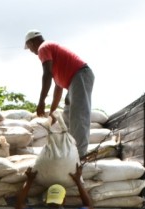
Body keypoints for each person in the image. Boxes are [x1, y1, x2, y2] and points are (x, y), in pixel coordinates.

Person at [24, 30, 95, 161]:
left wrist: (41, 102)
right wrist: (52, 112)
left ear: (32, 43)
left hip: (80, 76)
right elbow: (58, 88)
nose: (31, 51)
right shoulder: (56, 59)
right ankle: (69, 152)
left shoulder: (43, 48)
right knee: (67, 118)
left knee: (79, 117)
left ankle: (79, 156)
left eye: (29, 47)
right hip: (73, 81)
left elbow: (47, 75)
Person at [14, 164, 93, 209]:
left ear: (47, 200)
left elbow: (19, 205)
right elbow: (89, 206)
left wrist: (29, 181)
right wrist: (78, 181)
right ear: (64, 200)